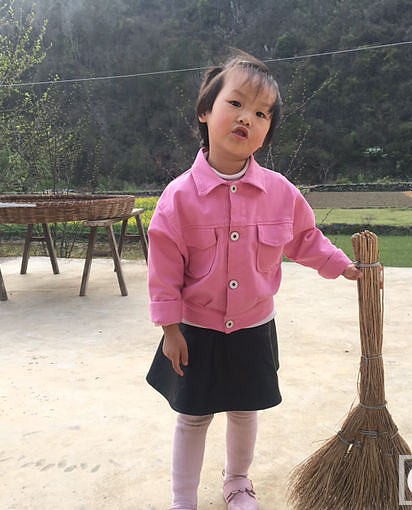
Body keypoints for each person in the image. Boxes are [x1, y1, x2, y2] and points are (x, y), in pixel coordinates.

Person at [146, 50, 361, 510]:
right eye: (237, 104)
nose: (248, 117)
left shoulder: (281, 193)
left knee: (245, 412)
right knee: (193, 418)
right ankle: (184, 497)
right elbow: (162, 270)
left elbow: (306, 239)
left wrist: (342, 265)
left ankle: (237, 483)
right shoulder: (178, 199)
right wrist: (169, 329)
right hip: (195, 330)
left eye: (262, 113)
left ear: (266, 133)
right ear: (206, 111)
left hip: (252, 326)